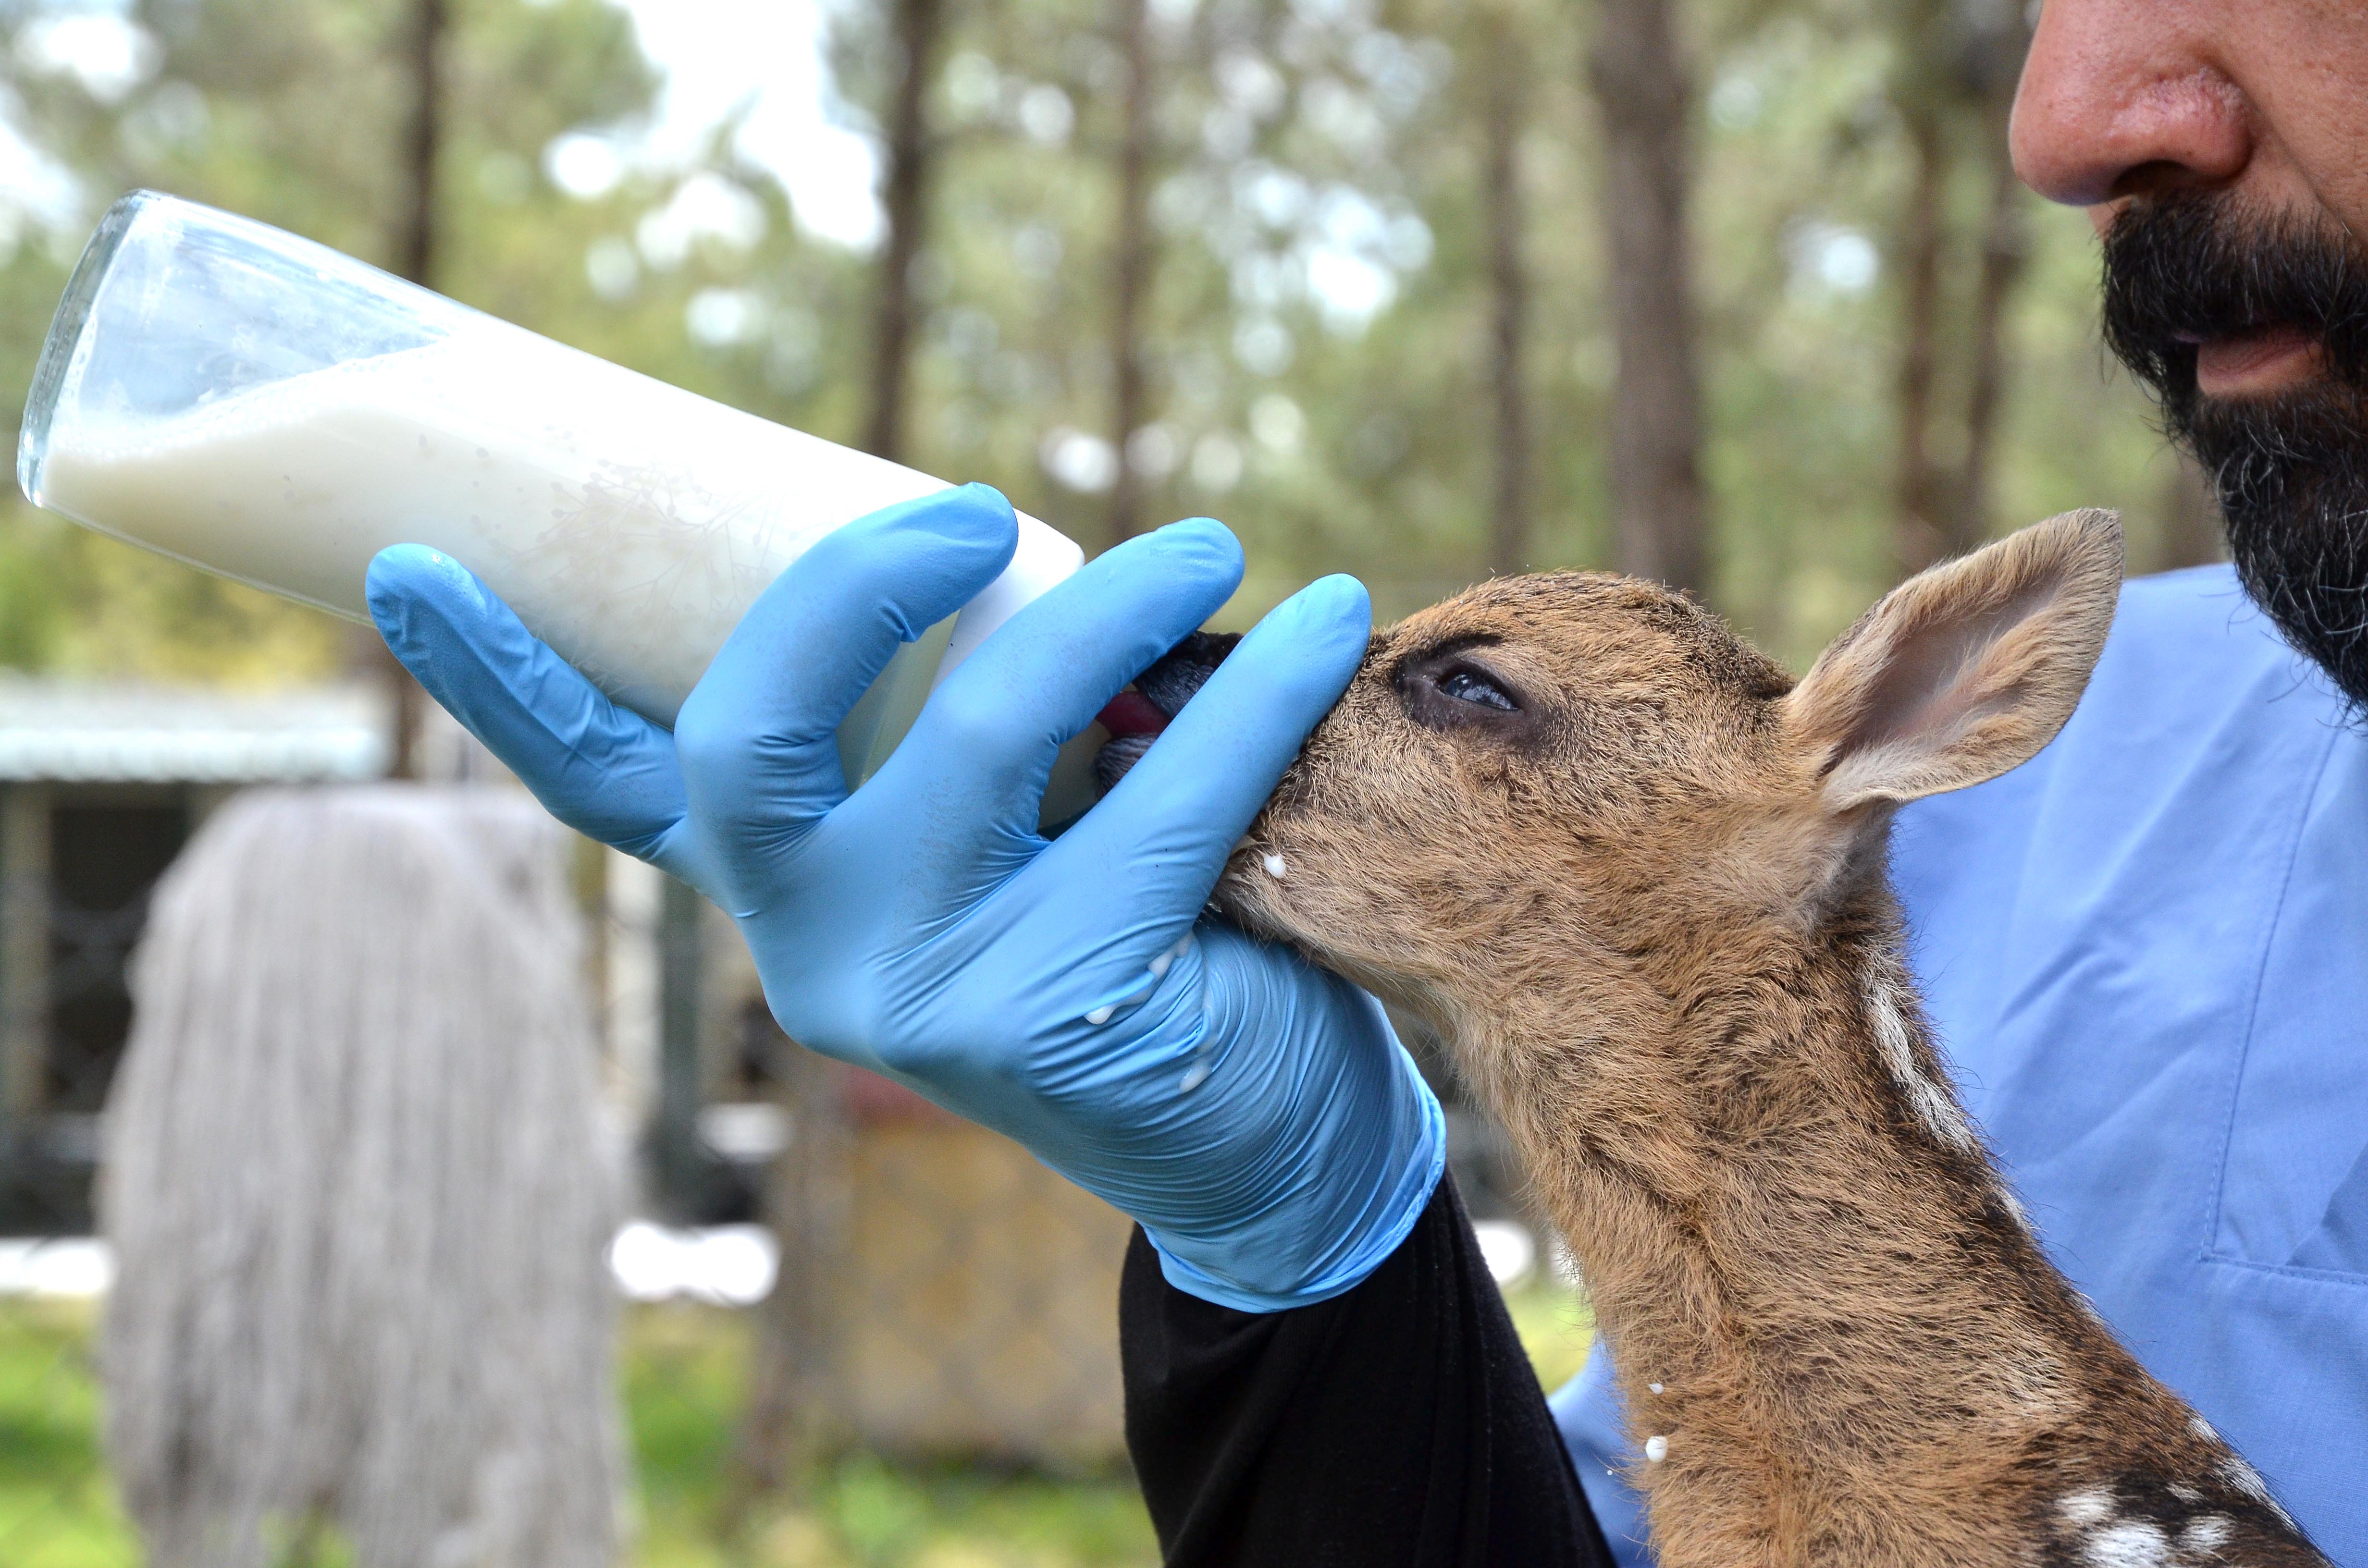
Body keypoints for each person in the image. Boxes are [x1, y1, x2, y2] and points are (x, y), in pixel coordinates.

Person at [367, 1, 2368, 1560]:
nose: (2068, 113)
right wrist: (1306, 1273)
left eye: (1468, 704)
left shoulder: (1919, 798)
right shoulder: (2053, 804)